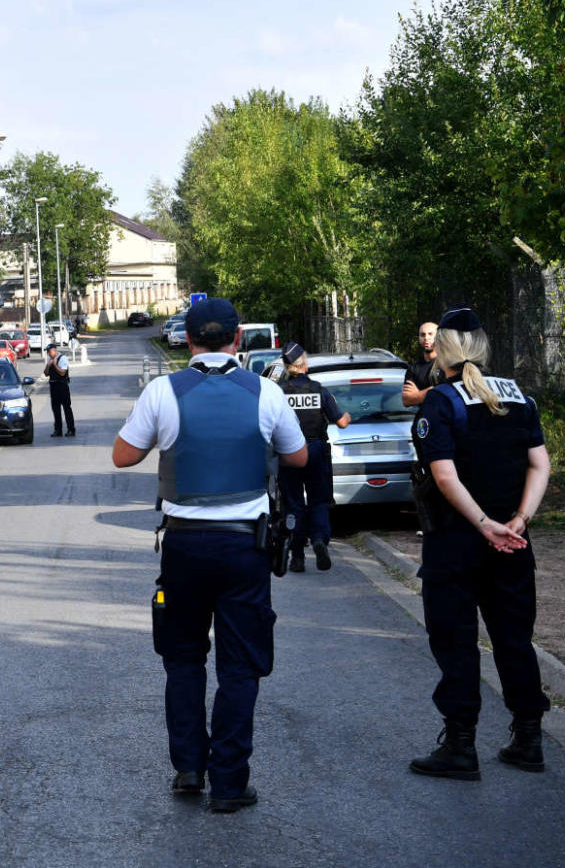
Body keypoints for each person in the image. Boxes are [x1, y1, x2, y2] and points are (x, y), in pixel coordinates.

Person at [112, 299, 307, 813]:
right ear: (237, 339)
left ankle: (188, 767)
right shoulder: (265, 391)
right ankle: (228, 783)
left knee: (183, 659)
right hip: (246, 544)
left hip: (183, 544)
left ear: (190, 340)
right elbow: (299, 456)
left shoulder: (162, 391)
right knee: (240, 667)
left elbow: (123, 454)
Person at [408, 306, 551, 780]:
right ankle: (528, 739)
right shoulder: (518, 397)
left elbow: (444, 476)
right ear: (483, 347)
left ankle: (461, 746)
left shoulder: (441, 401)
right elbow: (540, 465)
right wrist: (518, 521)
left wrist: (485, 523)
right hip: (513, 543)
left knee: (456, 643)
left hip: (456, 542)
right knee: (514, 640)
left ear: (443, 350)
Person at [277, 342, 351, 572]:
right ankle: (319, 539)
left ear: (288, 367)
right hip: (316, 451)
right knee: (318, 499)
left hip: (289, 452)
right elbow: (341, 422)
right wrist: (347, 414)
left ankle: (297, 554)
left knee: (293, 502)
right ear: (304, 364)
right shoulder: (320, 390)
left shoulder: (279, 392)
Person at [403, 321, 439, 408]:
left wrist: (418, 395)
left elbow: (447, 392)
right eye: (422, 335)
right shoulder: (413, 368)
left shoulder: (447, 364)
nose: (426, 338)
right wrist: (434, 390)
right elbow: (406, 400)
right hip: (424, 419)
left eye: (430, 334)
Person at [43, 342, 75, 437]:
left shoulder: (62, 358)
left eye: (49, 352)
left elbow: (62, 373)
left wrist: (55, 364)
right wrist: (48, 366)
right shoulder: (50, 360)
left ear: (54, 350)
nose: (48, 354)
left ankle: (71, 429)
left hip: (62, 386)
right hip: (53, 386)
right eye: (47, 352)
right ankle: (58, 430)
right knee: (55, 409)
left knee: (66, 408)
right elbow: (45, 374)